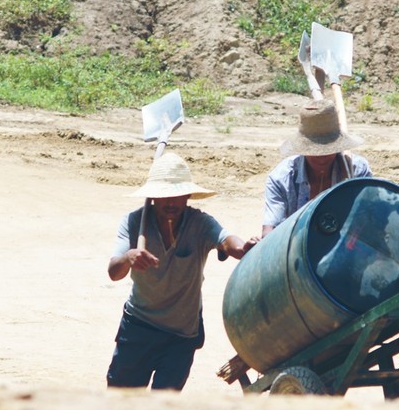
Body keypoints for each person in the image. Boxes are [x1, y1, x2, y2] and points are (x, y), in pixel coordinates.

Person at [107, 151, 256, 391]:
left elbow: (228, 242)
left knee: (163, 405)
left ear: (187, 195)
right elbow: (114, 272)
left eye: (177, 195)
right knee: (120, 399)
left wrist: (243, 248)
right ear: (153, 197)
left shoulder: (200, 224)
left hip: (181, 336)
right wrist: (129, 257)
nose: (171, 203)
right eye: (164, 196)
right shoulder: (134, 223)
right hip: (138, 327)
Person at [261, 99, 372, 236]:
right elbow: (270, 231)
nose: (321, 157)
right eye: (314, 151)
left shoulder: (357, 170)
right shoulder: (281, 178)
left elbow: (367, 220)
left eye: (327, 150)